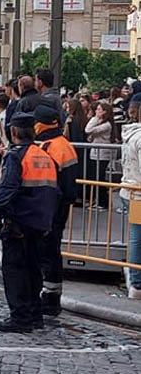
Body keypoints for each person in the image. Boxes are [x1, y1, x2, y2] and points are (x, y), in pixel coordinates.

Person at [0, 112, 58, 332]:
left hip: (19, 221)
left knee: (15, 269)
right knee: (34, 269)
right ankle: (35, 315)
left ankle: (20, 318)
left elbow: (7, 188)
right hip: (41, 222)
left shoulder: (16, 156)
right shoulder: (44, 155)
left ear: (13, 132)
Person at [32, 105, 78, 317]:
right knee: (51, 252)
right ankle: (51, 297)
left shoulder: (50, 147)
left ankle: (49, 300)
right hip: (59, 208)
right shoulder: (63, 145)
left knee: (47, 253)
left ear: (41, 124)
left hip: (49, 209)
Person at [118, 95, 141, 300]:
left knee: (135, 237)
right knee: (136, 237)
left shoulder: (130, 133)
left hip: (129, 188)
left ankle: (135, 280)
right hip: (138, 192)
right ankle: (136, 282)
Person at [85, 101, 115, 208]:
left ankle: (103, 202)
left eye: (99, 110)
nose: (96, 112)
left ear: (105, 112)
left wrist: (95, 118)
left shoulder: (106, 125)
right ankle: (98, 200)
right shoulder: (100, 123)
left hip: (102, 153)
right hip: (95, 152)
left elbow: (88, 129)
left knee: (100, 177)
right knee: (95, 177)